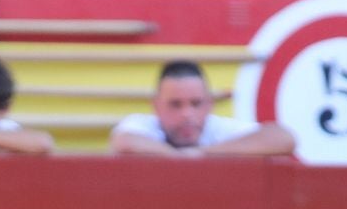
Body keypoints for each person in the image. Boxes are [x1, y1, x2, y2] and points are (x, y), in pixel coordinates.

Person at [110, 60, 296, 158]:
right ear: (157, 107)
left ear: (209, 105)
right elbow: (125, 141)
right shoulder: (144, 124)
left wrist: (203, 153)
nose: (187, 114)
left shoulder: (217, 129)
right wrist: (182, 158)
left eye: (196, 103)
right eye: (175, 104)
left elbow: (283, 138)